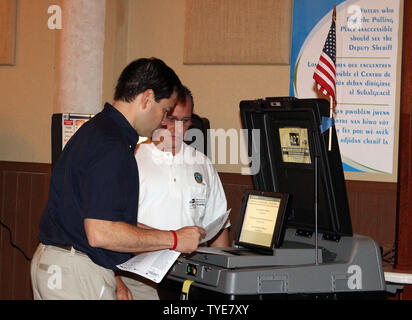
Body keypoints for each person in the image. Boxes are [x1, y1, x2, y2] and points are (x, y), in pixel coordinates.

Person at [30, 58, 206, 300]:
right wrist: (175, 239)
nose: (163, 120)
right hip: (76, 270)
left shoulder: (98, 131)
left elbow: (106, 218)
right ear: (146, 98)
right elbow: (101, 232)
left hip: (59, 264)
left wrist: (171, 237)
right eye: (165, 110)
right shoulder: (112, 144)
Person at [116, 86, 230, 300]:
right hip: (138, 280)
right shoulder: (132, 158)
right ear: (159, 114)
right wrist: (115, 280)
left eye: (185, 121)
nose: (177, 129)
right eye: (171, 119)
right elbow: (109, 226)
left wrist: (222, 284)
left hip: (190, 280)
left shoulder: (202, 163)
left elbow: (219, 228)